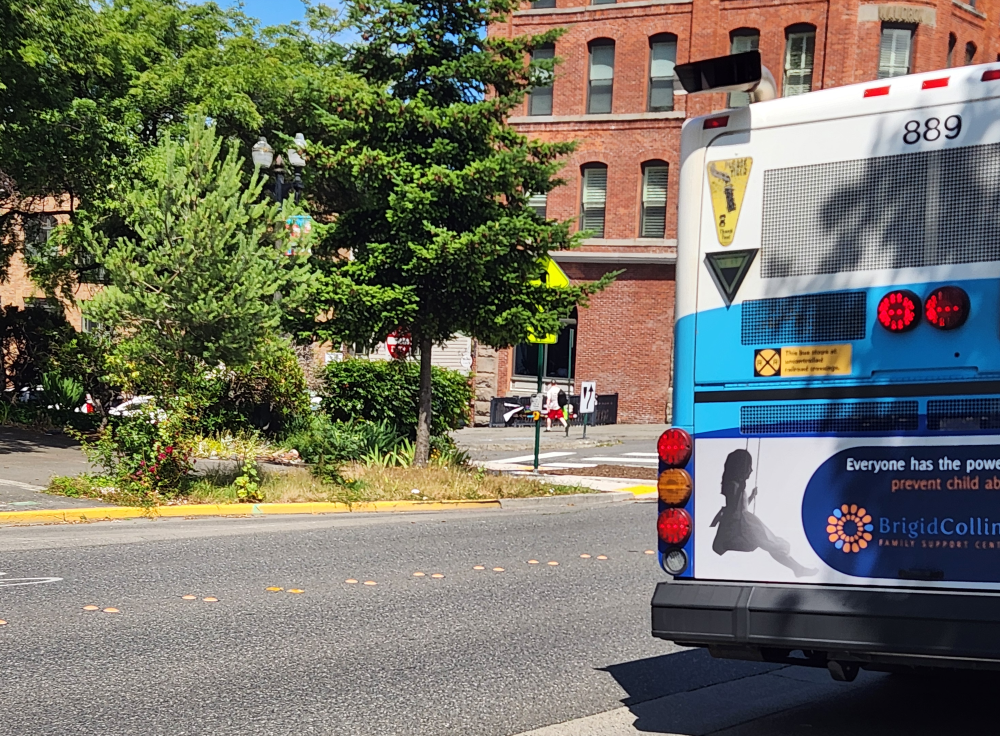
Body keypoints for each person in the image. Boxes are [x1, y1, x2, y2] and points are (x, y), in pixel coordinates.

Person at [710, 449, 817, 578]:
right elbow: (733, 507)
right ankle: (798, 569)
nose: (751, 470)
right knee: (770, 544)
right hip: (742, 522)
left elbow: (740, 506)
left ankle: (798, 569)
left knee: (770, 544)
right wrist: (733, 527)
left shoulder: (737, 486)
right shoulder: (733, 485)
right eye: (749, 467)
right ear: (741, 467)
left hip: (744, 519)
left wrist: (751, 497)